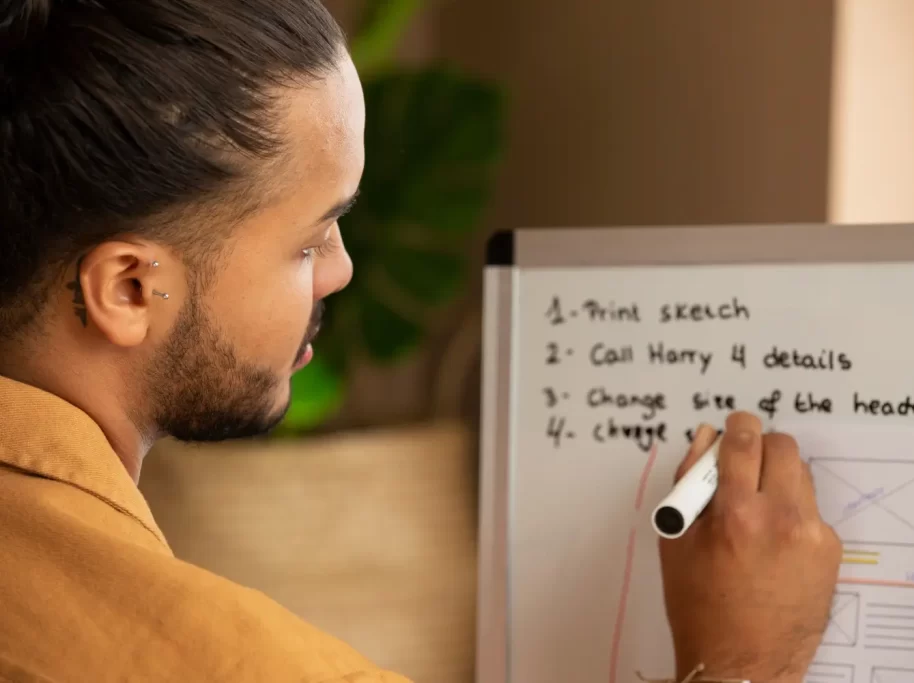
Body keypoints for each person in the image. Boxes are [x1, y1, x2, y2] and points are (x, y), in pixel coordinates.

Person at [0, 1, 842, 681]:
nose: (341, 270)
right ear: (130, 289)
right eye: (308, 239)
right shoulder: (219, 658)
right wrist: (745, 662)